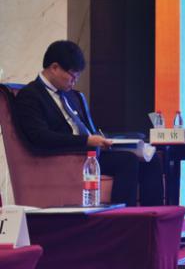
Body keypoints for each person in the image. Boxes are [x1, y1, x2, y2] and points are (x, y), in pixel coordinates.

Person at [15, 40, 163, 207]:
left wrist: (103, 141)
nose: (74, 81)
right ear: (54, 67)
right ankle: (123, 219)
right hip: (67, 157)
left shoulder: (73, 96)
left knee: (151, 159)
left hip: (90, 152)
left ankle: (153, 217)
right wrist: (86, 141)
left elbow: (90, 131)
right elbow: (40, 136)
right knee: (127, 161)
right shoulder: (30, 95)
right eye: (73, 76)